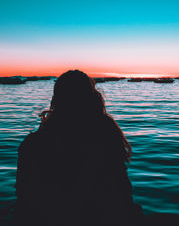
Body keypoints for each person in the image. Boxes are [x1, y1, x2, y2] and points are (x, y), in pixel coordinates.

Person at [14, 70, 143, 226]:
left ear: (55, 101)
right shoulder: (107, 139)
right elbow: (121, 194)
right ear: (91, 99)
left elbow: (24, 198)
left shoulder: (33, 145)